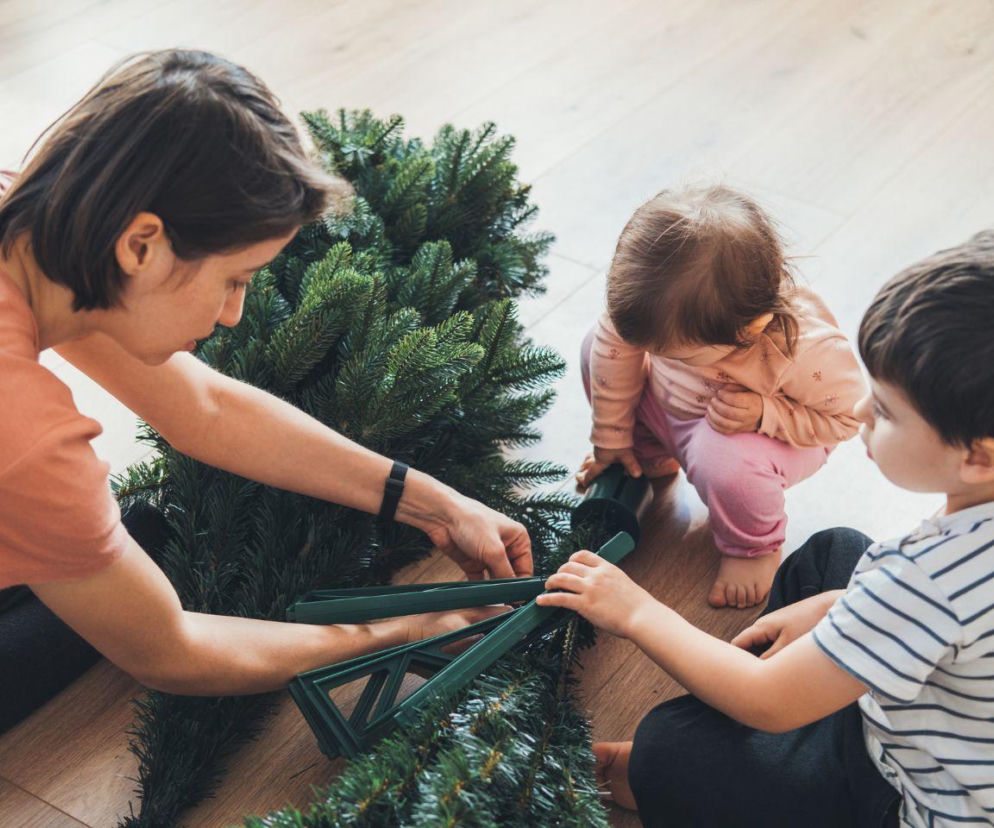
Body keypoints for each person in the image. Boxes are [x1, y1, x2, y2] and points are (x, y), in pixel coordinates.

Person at [0, 50, 529, 732]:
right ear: (141, 246)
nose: (232, 315)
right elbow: (170, 650)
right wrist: (399, 631)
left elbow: (206, 408)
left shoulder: (32, 218)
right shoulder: (26, 437)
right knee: (95, 582)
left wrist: (435, 503)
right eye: (235, 278)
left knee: (113, 541)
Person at [539, 230, 994, 827]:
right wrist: (839, 604)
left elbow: (770, 702)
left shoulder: (928, 580)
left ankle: (711, 758)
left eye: (883, 410)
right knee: (836, 553)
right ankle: (788, 699)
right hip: (931, 707)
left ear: (979, 456)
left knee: (668, 751)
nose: (858, 412)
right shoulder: (964, 529)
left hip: (902, 793)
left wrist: (635, 611)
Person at [577, 184, 866, 608]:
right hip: (670, 411)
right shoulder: (658, 311)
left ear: (747, 331)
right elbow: (616, 344)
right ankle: (648, 452)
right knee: (598, 349)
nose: (658, 355)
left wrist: (766, 414)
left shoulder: (804, 350)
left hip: (761, 436)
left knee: (725, 458)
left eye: (675, 353)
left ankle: (755, 547)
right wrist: (611, 439)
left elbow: (849, 418)